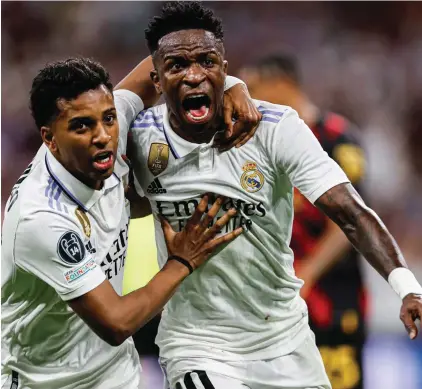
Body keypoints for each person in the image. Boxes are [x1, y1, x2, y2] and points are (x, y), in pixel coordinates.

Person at [128, 2, 422, 389]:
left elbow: (350, 212)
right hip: (200, 345)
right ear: (156, 78)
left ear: (225, 69)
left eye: (207, 62)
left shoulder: (276, 128)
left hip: (284, 343)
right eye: (178, 65)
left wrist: (406, 286)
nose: (195, 75)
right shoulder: (138, 137)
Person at [1, 54, 261, 389]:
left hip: (118, 376)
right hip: (49, 382)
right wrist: (182, 260)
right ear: (49, 138)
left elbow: (165, 59)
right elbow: (116, 323)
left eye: (108, 119)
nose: (103, 135)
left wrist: (231, 84)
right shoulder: (42, 219)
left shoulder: (103, 141)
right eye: (81, 126)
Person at [239, 53, 367, 389]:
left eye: (253, 86)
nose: (247, 96)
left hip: (331, 304)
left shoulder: (336, 138)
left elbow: (350, 220)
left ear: (280, 82)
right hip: (275, 307)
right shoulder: (257, 141)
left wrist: (308, 270)